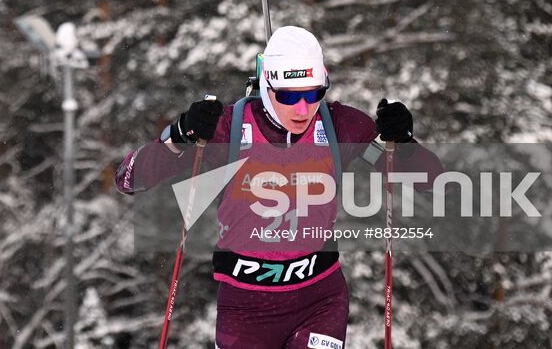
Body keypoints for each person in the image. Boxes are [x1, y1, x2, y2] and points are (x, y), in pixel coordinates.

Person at [115, 25, 442, 349]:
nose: (302, 109)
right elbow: (128, 179)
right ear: (266, 84)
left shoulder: (338, 127)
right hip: (245, 310)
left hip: (319, 300)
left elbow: (431, 182)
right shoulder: (227, 129)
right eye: (288, 96)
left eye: (313, 93)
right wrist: (181, 132)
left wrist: (402, 140)